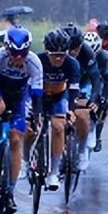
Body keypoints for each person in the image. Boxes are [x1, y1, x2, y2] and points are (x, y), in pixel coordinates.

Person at [0, 26, 44, 214]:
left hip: (20, 96)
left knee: (15, 139)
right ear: (6, 48)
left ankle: (10, 192)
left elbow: (37, 96)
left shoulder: (34, 62)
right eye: (14, 53)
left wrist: (35, 117)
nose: (18, 57)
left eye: (23, 53)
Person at [25, 29, 80, 191]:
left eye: (62, 55)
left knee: (58, 127)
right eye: (54, 55)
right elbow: (27, 87)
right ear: (46, 52)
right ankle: (25, 159)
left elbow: (74, 90)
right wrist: (34, 113)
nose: (58, 59)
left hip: (59, 96)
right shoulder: (37, 60)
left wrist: (71, 110)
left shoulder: (72, 64)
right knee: (30, 129)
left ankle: (53, 173)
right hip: (38, 96)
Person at [59, 24, 96, 170]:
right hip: (61, 82)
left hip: (82, 83)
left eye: (77, 47)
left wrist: (94, 98)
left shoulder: (87, 52)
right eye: (71, 48)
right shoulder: (58, 50)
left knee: (82, 114)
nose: (74, 51)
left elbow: (96, 78)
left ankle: (81, 151)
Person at [84, 30, 108, 153]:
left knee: (102, 105)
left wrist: (104, 97)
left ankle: (97, 136)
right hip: (85, 79)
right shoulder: (79, 54)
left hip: (101, 80)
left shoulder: (105, 56)